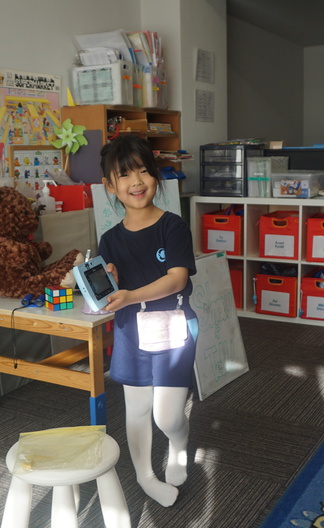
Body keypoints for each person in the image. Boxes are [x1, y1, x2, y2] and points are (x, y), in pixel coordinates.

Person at [97, 134, 199, 507]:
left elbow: (177, 279)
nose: (136, 182)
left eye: (143, 171)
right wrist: (109, 282)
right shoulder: (109, 239)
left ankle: (179, 443)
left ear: (156, 175)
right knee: (138, 410)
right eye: (124, 175)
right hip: (130, 330)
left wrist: (130, 295)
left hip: (173, 325)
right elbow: (112, 291)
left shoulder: (173, 226)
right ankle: (145, 476)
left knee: (167, 417)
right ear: (110, 186)